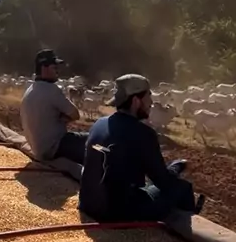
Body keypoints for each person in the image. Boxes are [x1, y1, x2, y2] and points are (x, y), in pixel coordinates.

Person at [78, 74, 204, 221]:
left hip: (87, 204)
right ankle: (186, 229)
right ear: (136, 101)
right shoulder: (143, 133)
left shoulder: (99, 123)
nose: (151, 102)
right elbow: (164, 182)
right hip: (115, 213)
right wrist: (177, 167)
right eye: (149, 96)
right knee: (183, 187)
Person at [20, 49, 88, 164]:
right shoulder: (51, 89)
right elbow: (75, 114)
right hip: (55, 147)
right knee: (94, 142)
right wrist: (63, 118)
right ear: (44, 68)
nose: (57, 71)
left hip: (38, 148)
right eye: (54, 68)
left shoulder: (29, 90)